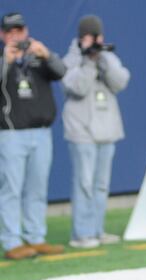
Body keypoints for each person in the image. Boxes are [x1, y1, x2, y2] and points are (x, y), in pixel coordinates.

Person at [0, 12, 65, 260]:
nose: (16, 36)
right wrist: (6, 61)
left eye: (19, 30)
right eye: (10, 31)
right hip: (11, 134)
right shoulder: (3, 58)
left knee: (37, 188)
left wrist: (47, 54)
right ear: (3, 35)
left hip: (41, 132)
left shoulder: (37, 58)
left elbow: (61, 72)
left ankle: (36, 236)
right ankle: (11, 240)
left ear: (26, 31)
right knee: (11, 189)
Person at [62, 14, 130, 249]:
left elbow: (121, 81)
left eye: (98, 35)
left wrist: (102, 60)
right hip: (81, 131)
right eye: (91, 36)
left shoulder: (107, 57)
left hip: (107, 130)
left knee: (101, 184)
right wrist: (89, 62)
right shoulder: (70, 60)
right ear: (82, 38)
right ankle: (81, 234)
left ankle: (97, 230)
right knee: (84, 183)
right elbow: (76, 87)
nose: (96, 40)